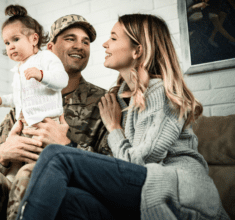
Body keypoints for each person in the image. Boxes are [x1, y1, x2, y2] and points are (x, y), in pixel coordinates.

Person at [15, 14, 230, 220]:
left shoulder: (159, 92)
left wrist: (113, 128)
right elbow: (118, 170)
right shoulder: (118, 98)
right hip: (141, 193)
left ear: (137, 50)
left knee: (56, 155)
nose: (104, 44)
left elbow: (140, 163)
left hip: (180, 192)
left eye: (113, 38)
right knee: (69, 199)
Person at [0, 12, 112, 220]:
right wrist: (4, 154)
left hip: (63, 192)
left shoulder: (103, 101)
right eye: (70, 39)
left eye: (86, 41)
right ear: (50, 48)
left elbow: (113, 173)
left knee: (32, 175)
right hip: (12, 185)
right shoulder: (25, 97)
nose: (80, 46)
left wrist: (67, 148)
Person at [0, 5, 69, 182]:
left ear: (34, 39)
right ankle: (11, 182)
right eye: (6, 43)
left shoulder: (46, 58)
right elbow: (19, 98)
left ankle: (33, 179)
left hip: (46, 124)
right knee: (16, 163)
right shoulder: (19, 69)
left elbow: (62, 80)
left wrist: (42, 75)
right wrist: (2, 100)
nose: (10, 46)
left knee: (36, 159)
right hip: (25, 124)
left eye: (15, 39)